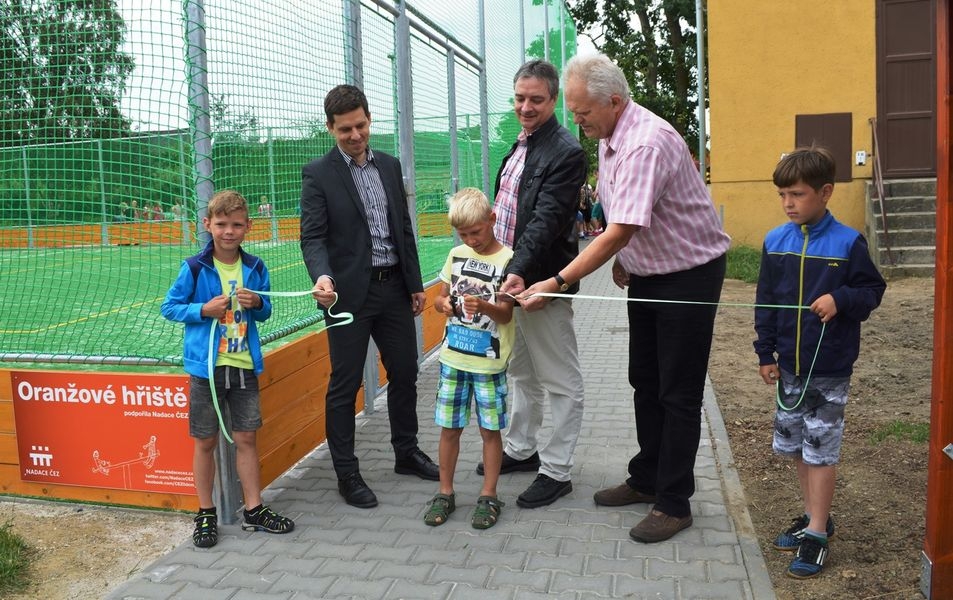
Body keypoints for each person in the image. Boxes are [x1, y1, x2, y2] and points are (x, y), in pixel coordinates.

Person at [521, 53, 730, 542]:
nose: (576, 120)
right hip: (651, 273)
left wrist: (557, 281)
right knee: (644, 378)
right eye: (572, 111)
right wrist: (625, 259)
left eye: (581, 112)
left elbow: (619, 228)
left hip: (690, 275)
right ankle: (647, 477)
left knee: (678, 390)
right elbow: (627, 218)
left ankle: (675, 502)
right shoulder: (610, 134)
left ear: (613, 101)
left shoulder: (644, 144)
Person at [300, 84, 438, 509]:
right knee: (344, 385)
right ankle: (347, 472)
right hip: (345, 297)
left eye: (360, 125)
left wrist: (414, 283)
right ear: (330, 128)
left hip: (394, 288)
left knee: (404, 371)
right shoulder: (318, 174)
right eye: (345, 130)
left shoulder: (391, 167)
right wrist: (322, 277)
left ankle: (406, 452)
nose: (355, 135)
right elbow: (313, 237)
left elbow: (403, 228)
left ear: (369, 119)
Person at [754, 147, 885, 579]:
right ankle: (815, 516)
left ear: (825, 192)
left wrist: (840, 298)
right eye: (782, 195)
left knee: (820, 450)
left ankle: (816, 536)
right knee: (797, 448)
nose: (789, 203)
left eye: (798, 193)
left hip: (828, 369)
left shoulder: (848, 242)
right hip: (788, 367)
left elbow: (871, 291)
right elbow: (767, 302)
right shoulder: (776, 242)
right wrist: (765, 353)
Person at [473, 59, 588, 510]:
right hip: (511, 278)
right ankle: (521, 449)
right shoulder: (520, 144)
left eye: (536, 100)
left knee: (560, 379)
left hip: (540, 283)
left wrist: (519, 272)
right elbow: (507, 212)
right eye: (520, 98)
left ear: (554, 100)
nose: (526, 107)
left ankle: (557, 470)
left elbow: (545, 222)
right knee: (520, 370)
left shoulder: (565, 150)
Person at [161, 189, 294, 548]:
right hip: (206, 369)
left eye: (236, 225)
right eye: (221, 224)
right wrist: (202, 310)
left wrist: (257, 303)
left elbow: (266, 310)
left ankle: (254, 509)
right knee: (205, 441)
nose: (229, 231)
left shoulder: (255, 267)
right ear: (208, 225)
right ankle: (206, 512)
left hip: (242, 365)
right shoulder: (194, 267)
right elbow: (170, 307)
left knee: (247, 438)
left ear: (248, 227)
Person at [423, 188, 515, 529]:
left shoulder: (509, 259)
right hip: (453, 359)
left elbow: (505, 315)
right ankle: (445, 491)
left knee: (490, 431)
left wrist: (486, 306)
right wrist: (443, 305)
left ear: (491, 220)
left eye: (475, 232)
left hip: (488, 363)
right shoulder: (456, 254)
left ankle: (489, 494)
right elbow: (439, 299)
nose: (470, 240)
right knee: (449, 429)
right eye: (463, 234)